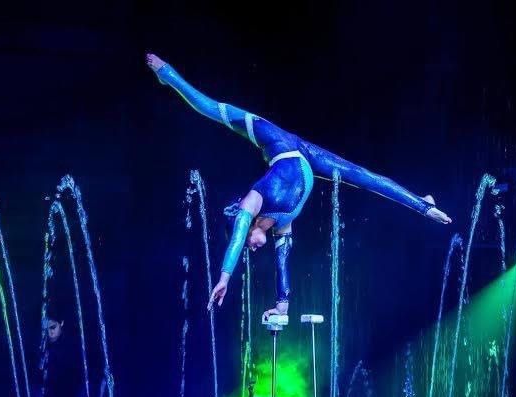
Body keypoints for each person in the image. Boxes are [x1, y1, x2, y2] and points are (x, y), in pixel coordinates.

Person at [145, 53, 452, 320]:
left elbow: (237, 238)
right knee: (363, 178)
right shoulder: (281, 228)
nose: (252, 248)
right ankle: (424, 206)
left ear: (247, 226)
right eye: (252, 247)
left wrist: (224, 276)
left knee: (214, 109)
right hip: (306, 156)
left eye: (249, 242)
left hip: (276, 143)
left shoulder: (251, 205)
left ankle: (167, 76)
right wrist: (282, 306)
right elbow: (282, 267)